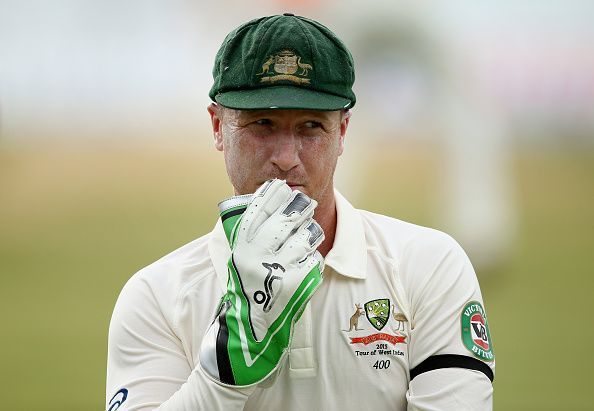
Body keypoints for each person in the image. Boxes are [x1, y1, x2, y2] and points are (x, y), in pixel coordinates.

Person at [106, 13, 495, 410]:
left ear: (342, 132)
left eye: (311, 126)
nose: (286, 158)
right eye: (263, 124)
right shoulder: (156, 297)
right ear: (218, 126)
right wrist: (225, 371)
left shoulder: (428, 267)